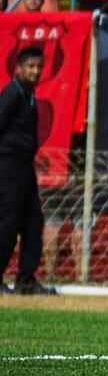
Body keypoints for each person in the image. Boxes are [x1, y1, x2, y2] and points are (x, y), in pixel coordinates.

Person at [0, 47, 49, 294]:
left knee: (33, 223)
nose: (36, 71)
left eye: (39, 66)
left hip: (24, 168)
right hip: (9, 167)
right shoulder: (12, 93)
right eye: (30, 66)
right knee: (7, 224)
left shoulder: (28, 94)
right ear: (18, 68)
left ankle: (26, 280)